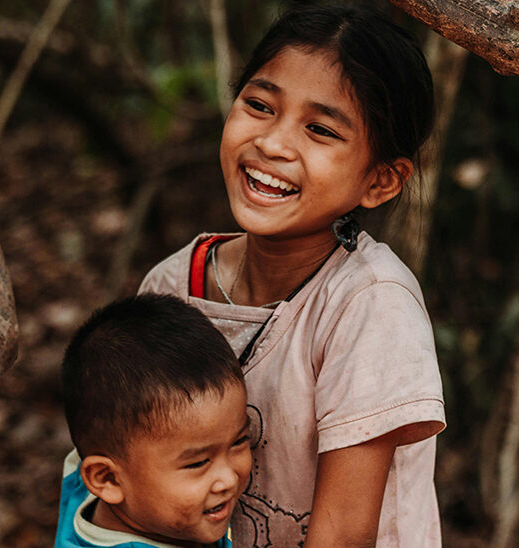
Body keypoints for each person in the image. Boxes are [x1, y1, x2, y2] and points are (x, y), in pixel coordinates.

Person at [139, 4, 446, 547]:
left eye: (320, 130)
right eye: (259, 105)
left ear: (380, 181)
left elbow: (342, 537)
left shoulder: (370, 305)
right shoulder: (170, 287)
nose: (273, 143)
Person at [55, 294, 252, 548]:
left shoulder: (87, 478)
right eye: (198, 462)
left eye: (239, 441)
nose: (229, 479)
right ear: (108, 479)